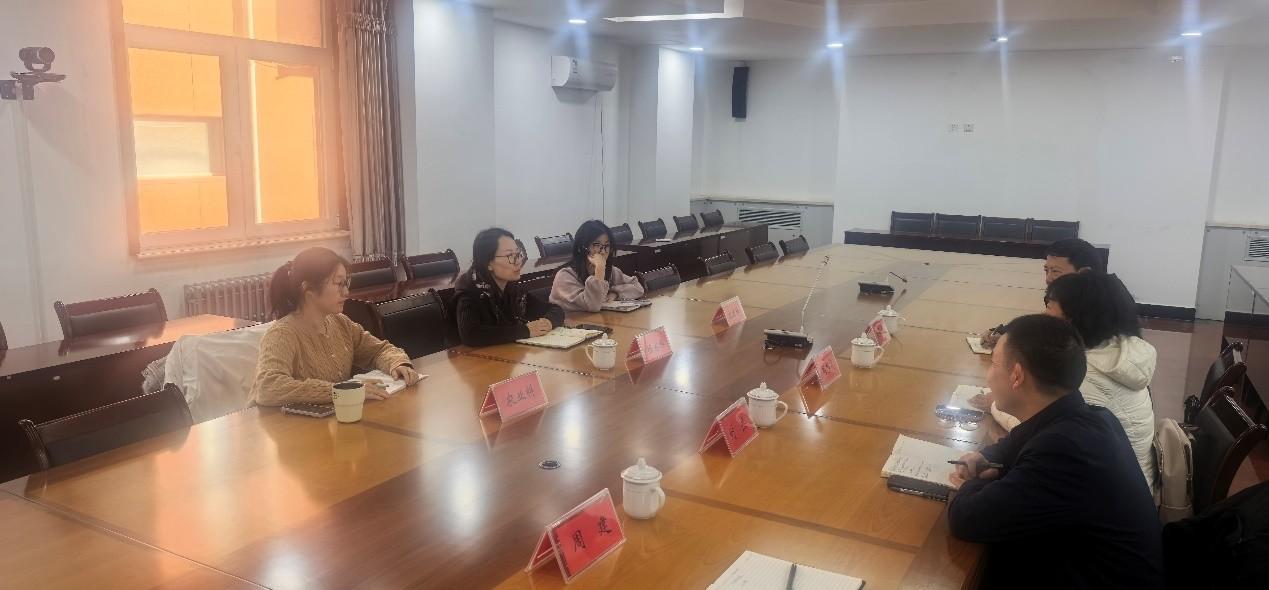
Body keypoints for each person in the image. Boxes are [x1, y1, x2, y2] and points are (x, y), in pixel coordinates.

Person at [948, 314, 1164, 590]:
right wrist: (987, 458)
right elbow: (1018, 441)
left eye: (994, 364)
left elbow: (967, 519)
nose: (988, 376)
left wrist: (970, 483)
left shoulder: (1063, 453)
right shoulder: (1090, 416)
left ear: (1017, 376)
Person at [251, 247, 422, 407]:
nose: (346, 292)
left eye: (346, 283)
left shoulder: (340, 322)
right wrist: (342, 391)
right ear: (308, 289)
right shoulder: (282, 334)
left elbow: (378, 350)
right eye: (339, 283)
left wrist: (397, 363)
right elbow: (268, 387)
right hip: (278, 425)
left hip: (328, 420)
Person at [1043, 271, 1157, 491]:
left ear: (1074, 318)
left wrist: (997, 406)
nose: (1043, 317)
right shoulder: (1117, 352)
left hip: (1110, 498)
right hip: (1124, 485)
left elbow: (1045, 435)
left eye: (1050, 309)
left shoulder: (1087, 377)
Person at [979, 238, 1105, 348]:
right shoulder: (1067, 298)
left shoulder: (1096, 313)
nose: (1048, 279)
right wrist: (1004, 332)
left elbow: (1055, 342)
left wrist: (1012, 342)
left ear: (1084, 273)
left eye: (1055, 271)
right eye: (1046, 270)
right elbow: (1041, 324)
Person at [455, 228, 565, 346]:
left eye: (518, 254)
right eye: (510, 256)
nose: (518, 262)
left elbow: (555, 309)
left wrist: (548, 322)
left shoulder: (513, 290)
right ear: (488, 263)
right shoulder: (470, 292)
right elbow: (471, 334)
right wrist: (525, 330)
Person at [549, 220, 645, 312]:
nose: (602, 251)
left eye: (607, 245)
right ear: (582, 248)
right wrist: (599, 269)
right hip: (572, 322)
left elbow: (637, 287)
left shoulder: (611, 271)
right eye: (596, 245)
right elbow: (593, 305)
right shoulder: (565, 276)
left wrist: (615, 293)